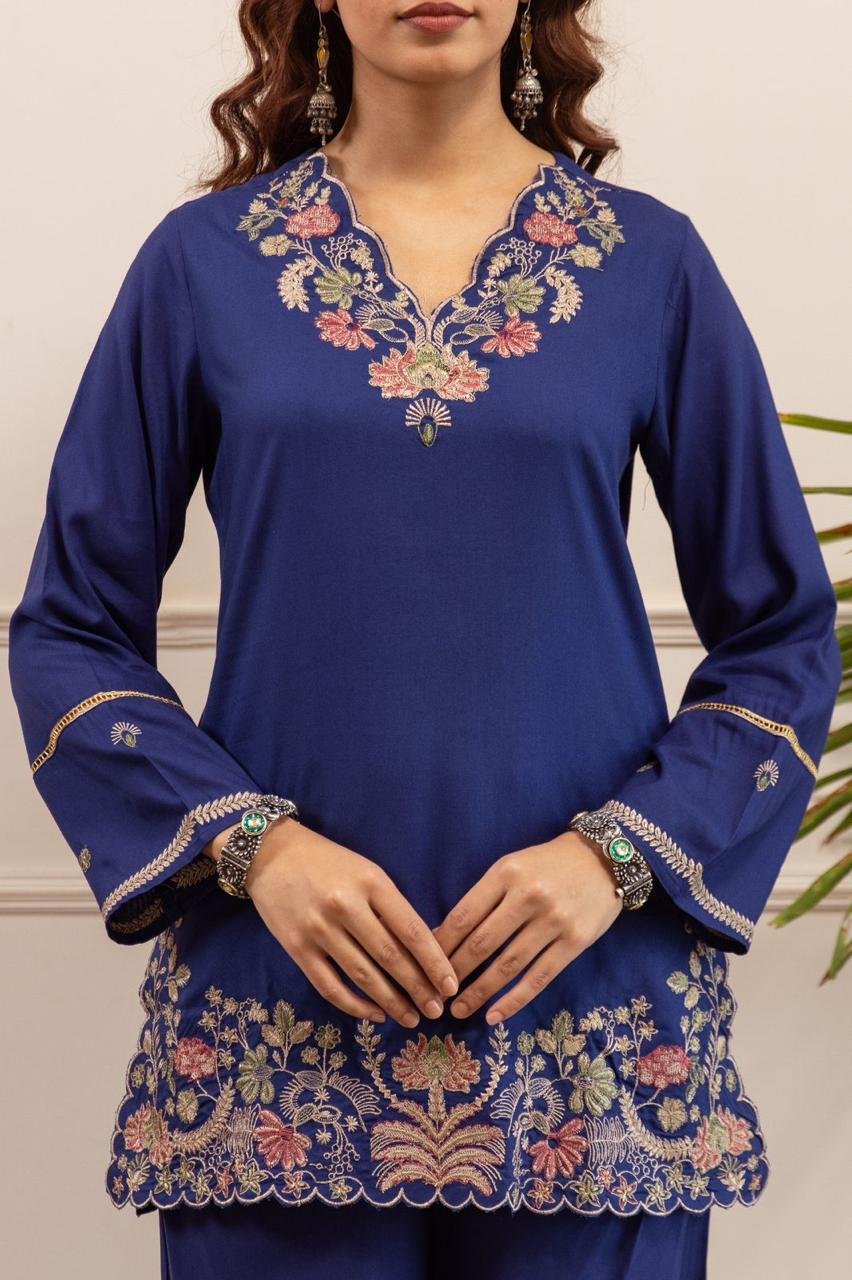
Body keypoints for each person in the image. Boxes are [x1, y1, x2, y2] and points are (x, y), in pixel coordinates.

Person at [7, 2, 841, 1278]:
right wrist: (256, 846)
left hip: (591, 1023)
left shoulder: (651, 265)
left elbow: (781, 632)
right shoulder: (200, 267)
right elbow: (70, 627)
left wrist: (615, 856)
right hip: (278, 1018)